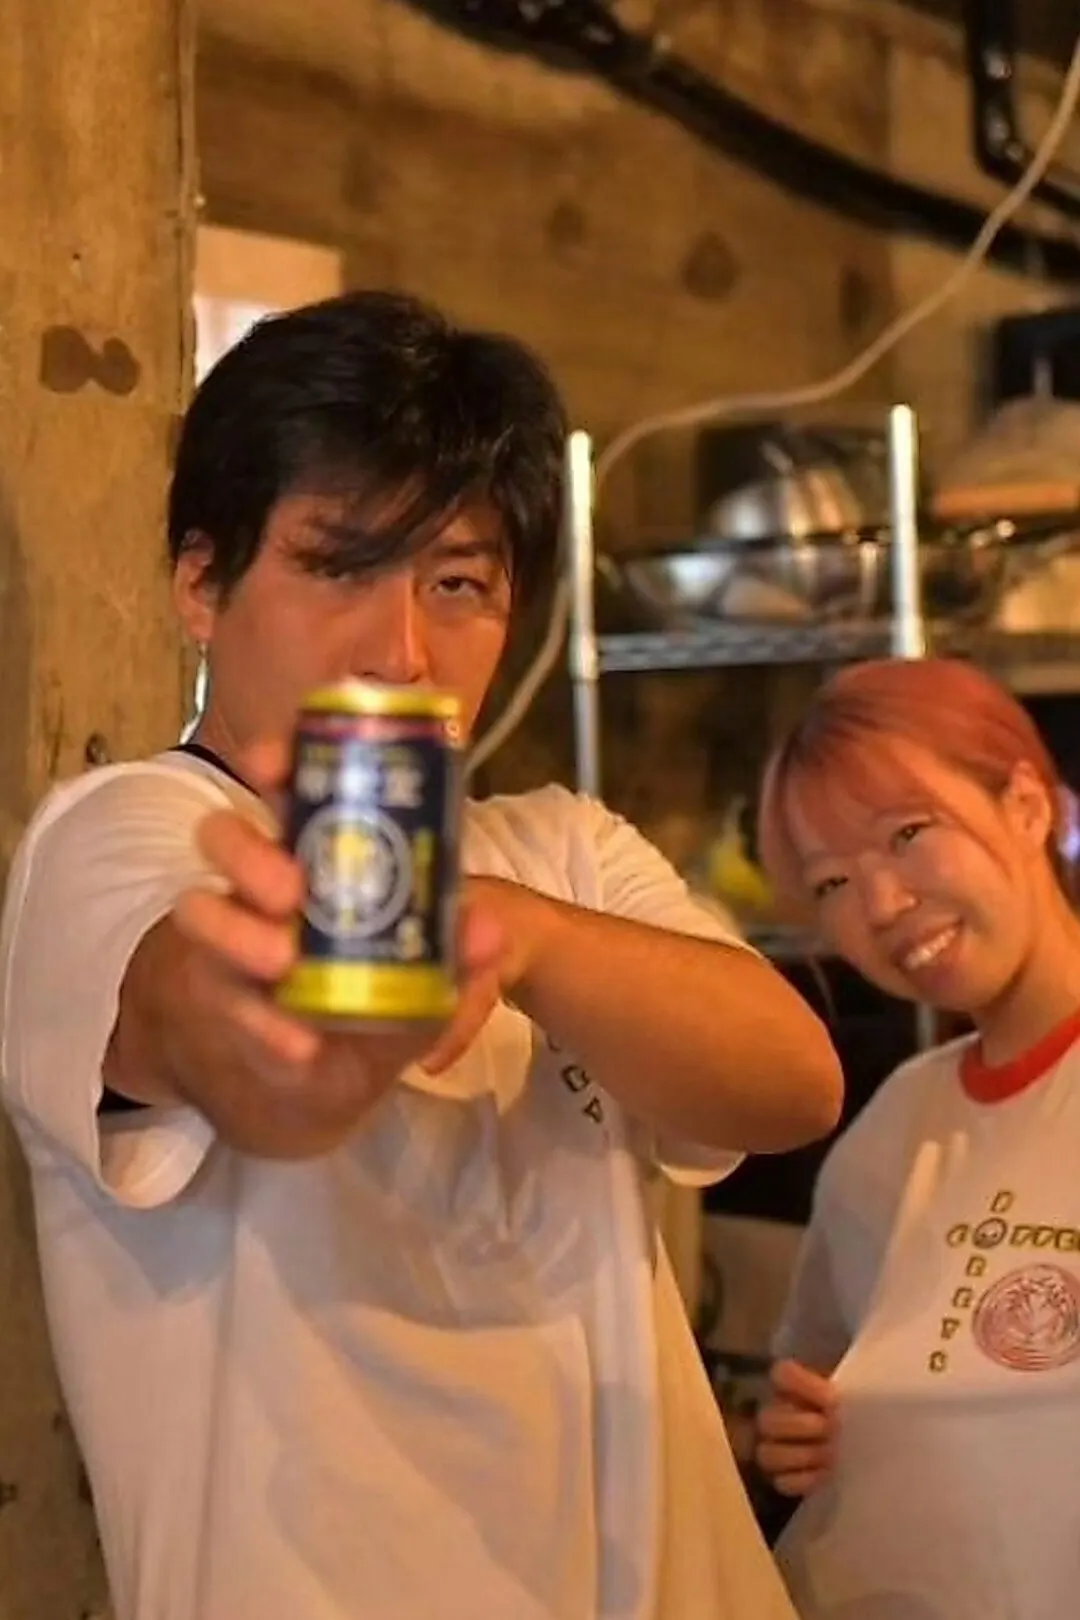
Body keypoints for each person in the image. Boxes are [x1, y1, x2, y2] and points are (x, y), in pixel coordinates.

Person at [0, 291, 841, 1620]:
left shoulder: (560, 847)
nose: (401, 651)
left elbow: (792, 1081)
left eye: (457, 584)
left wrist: (527, 939)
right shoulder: (126, 833)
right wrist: (311, 1032)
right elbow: (228, 1042)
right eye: (340, 565)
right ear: (200, 584)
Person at [752, 656, 1080, 1620]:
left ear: (1026, 804)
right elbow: (814, 1375)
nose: (883, 905)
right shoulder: (897, 1121)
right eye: (832, 882)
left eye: (908, 834)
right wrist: (792, 1434)